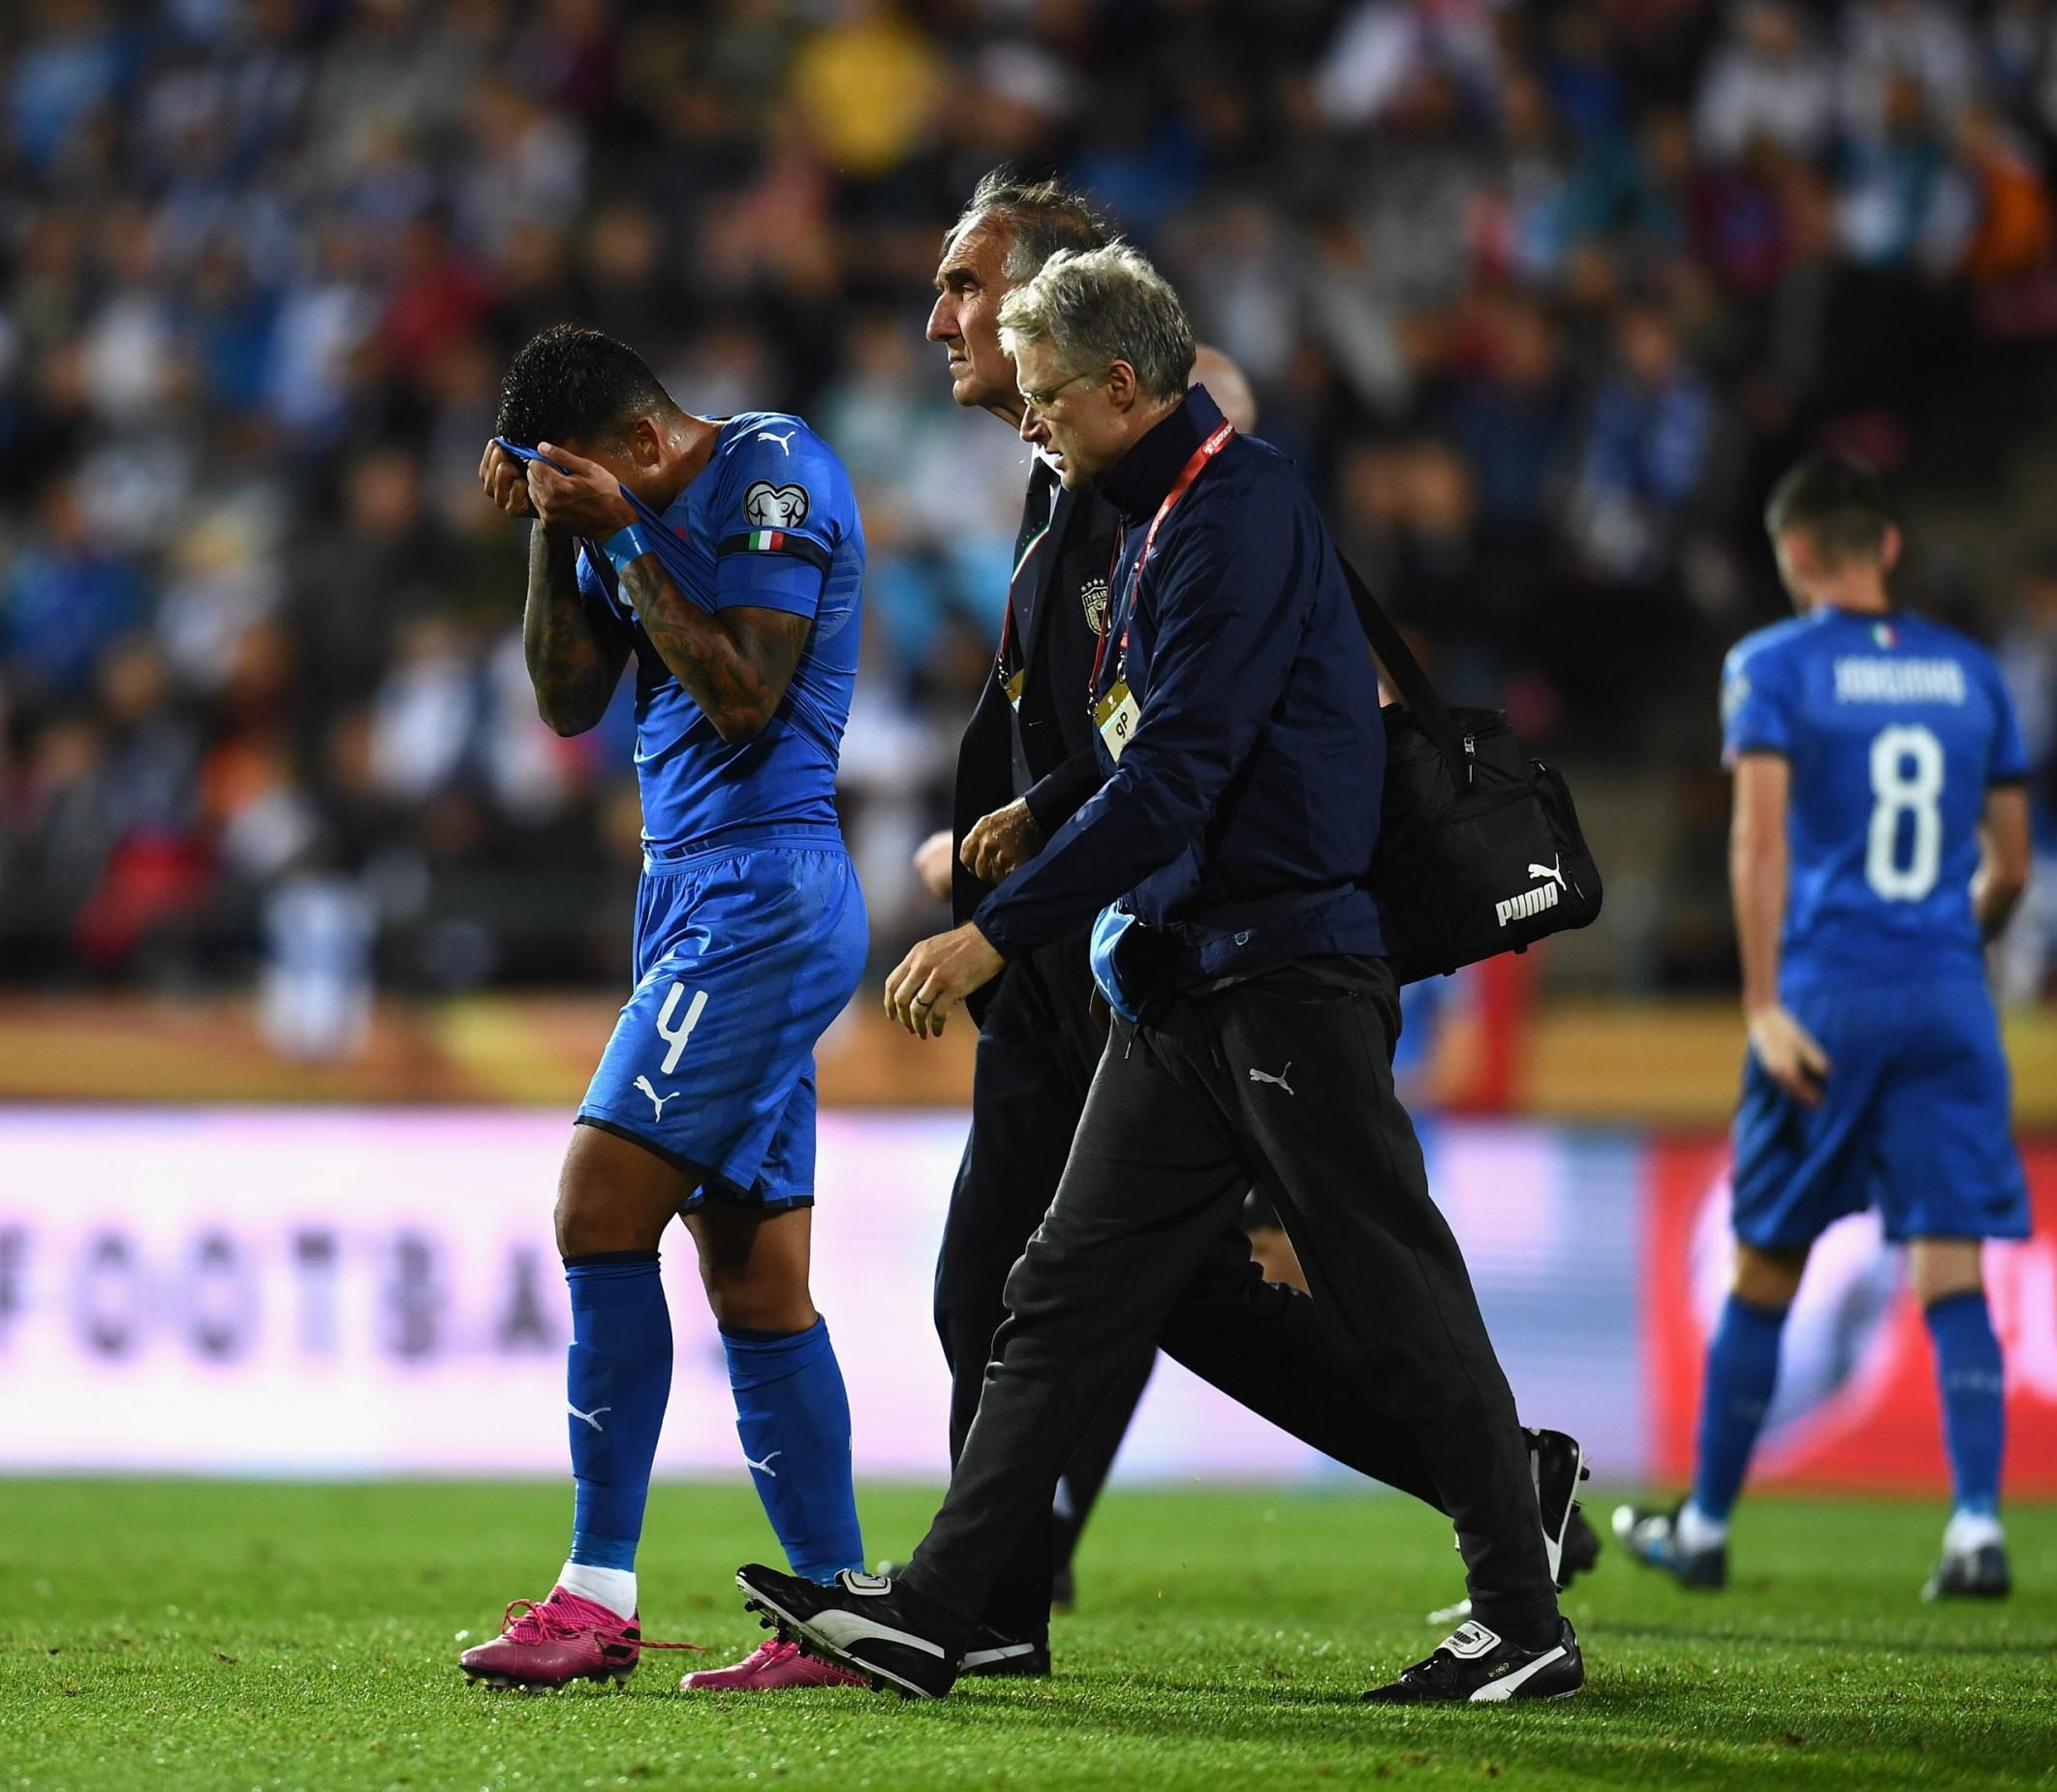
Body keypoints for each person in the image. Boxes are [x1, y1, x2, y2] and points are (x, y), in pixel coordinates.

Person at [737, 243, 1583, 1703]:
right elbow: (1147, 738)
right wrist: (1044, 804)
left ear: (1125, 387)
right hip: (1183, 982)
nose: (1031, 419)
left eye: (1052, 396)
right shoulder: (1140, 514)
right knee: (1057, 1293)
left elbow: (1186, 767)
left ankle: (1523, 1613)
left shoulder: (1234, 515)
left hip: (1283, 974)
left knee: (1395, 1292)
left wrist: (999, 923)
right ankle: (944, 1609)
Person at [457, 324, 874, 1692]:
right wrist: (547, 527)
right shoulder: (608, 508)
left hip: (767, 887)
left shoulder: (772, 475)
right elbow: (568, 702)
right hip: (688, 897)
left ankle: (596, 1592)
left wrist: (623, 535)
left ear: (642, 440)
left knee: (594, 1209)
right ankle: (838, 1610)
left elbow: (749, 700)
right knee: (754, 1275)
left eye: (578, 472)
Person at [1617, 455, 2032, 1600]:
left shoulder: (1769, 667)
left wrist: (1759, 1002)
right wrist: (1958, 941)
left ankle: (1701, 1525)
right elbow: (2007, 864)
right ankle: (1974, 1529)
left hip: (1826, 995)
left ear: (1792, 555)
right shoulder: (1971, 675)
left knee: (1763, 1263)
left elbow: (1756, 842)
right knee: (1949, 1266)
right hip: (1946, 994)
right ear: (1885, 547)